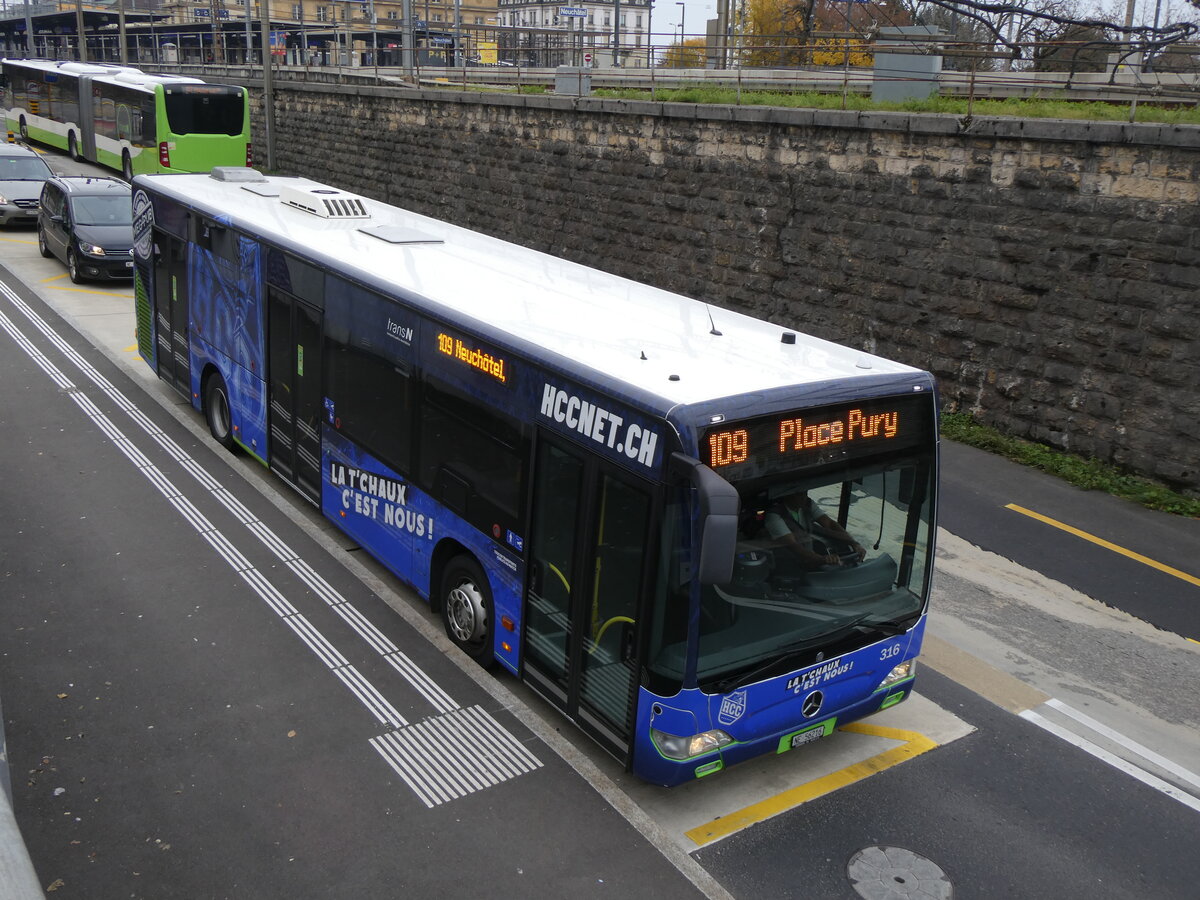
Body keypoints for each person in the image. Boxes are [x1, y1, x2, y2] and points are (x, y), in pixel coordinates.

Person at [763, 490, 866, 570]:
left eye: (805, 493)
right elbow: (794, 546)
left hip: (811, 556)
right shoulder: (774, 516)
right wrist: (823, 559)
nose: (804, 497)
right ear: (787, 495)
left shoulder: (807, 504)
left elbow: (829, 524)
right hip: (790, 563)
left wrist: (854, 544)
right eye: (799, 494)